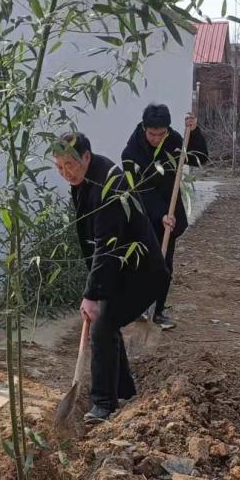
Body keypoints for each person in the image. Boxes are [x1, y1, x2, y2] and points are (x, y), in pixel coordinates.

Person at [55, 132, 167, 423]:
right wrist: (92, 289)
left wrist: (92, 295)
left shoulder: (109, 185)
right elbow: (91, 242)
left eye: (71, 165)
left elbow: (107, 244)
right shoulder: (84, 180)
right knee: (107, 322)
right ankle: (124, 390)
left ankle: (103, 405)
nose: (66, 173)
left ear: (87, 157)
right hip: (119, 270)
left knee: (103, 324)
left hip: (142, 273)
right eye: (59, 167)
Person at [119, 103, 209, 329]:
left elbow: (198, 159)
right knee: (141, 262)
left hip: (170, 213)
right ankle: (136, 307)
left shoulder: (175, 140)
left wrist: (195, 132)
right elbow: (139, 190)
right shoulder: (131, 152)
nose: (157, 139)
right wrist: (159, 215)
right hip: (143, 213)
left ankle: (157, 311)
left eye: (161, 134)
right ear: (143, 128)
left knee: (164, 263)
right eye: (152, 134)